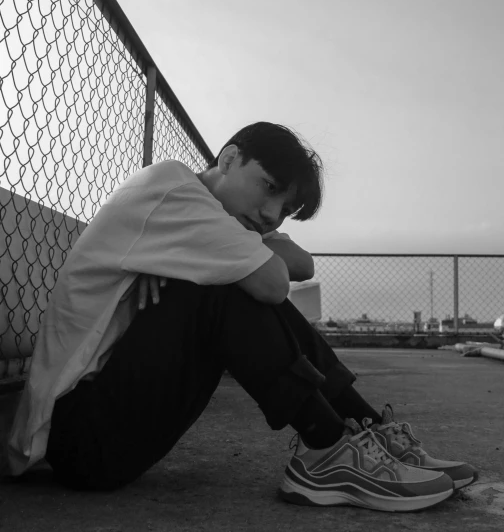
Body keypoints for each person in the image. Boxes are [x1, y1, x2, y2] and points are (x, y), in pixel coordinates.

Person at [7, 122, 477, 512]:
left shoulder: (203, 217)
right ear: (229, 158)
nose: (273, 214)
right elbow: (275, 281)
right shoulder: (172, 186)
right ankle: (330, 444)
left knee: (224, 277)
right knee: (224, 288)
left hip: (111, 429)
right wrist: (250, 258)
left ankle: (371, 433)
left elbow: (303, 264)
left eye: (287, 210)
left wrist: (227, 257)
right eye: (269, 188)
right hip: (78, 437)